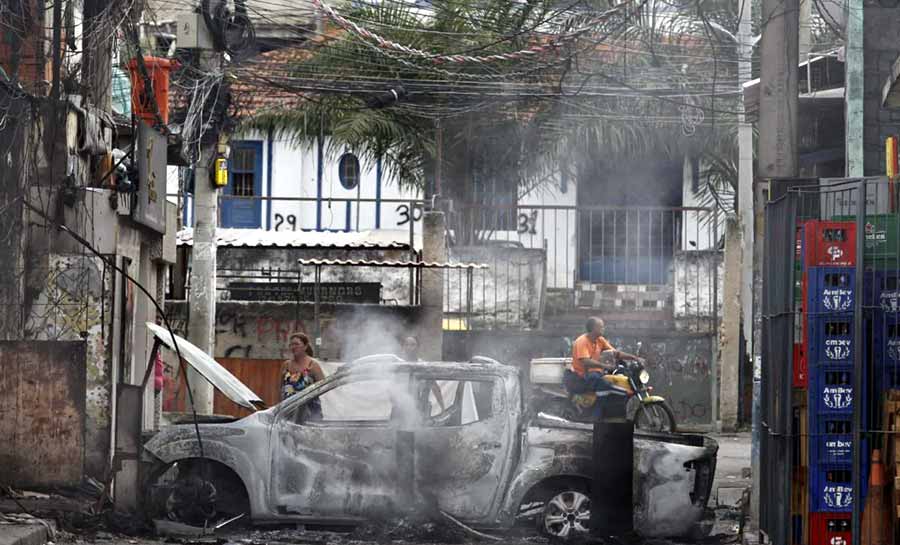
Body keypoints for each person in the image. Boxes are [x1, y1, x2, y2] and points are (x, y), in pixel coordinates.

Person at [571, 317, 643, 393]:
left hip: (598, 372)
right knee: (608, 386)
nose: (603, 328)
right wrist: (604, 366)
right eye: (601, 327)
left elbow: (615, 353)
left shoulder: (600, 340)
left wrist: (634, 358)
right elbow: (585, 361)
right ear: (593, 328)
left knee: (622, 375)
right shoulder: (582, 341)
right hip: (584, 375)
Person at [282, 332, 326, 416]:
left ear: (305, 347)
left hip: (310, 414)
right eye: (291, 345)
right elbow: (279, 389)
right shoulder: (286, 365)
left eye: (296, 344)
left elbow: (323, 387)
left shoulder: (313, 365)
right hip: (289, 413)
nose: (293, 347)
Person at [401, 335, 445, 412]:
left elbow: (436, 388)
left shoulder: (424, 367)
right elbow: (392, 390)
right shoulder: (399, 367)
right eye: (406, 344)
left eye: (412, 345)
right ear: (403, 347)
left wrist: (443, 408)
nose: (409, 347)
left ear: (418, 347)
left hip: (421, 410)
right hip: (402, 409)